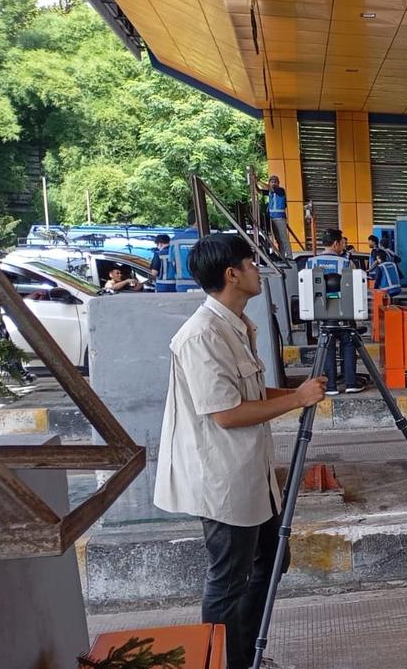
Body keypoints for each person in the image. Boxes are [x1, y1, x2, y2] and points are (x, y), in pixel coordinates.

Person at [153, 233, 326, 669]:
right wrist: (297, 399)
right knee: (229, 581)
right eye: (251, 264)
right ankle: (223, 662)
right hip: (223, 480)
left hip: (252, 474)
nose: (258, 271)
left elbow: (248, 393)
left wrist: (297, 393)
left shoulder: (235, 325)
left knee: (272, 562)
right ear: (232, 274)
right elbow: (227, 414)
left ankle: (247, 656)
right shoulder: (201, 336)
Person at [308, 229, 362, 396]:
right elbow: (355, 288)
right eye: (342, 243)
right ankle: (351, 383)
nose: (343, 246)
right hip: (344, 313)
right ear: (336, 243)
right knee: (349, 345)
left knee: (327, 347)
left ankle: (331, 386)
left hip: (322, 313)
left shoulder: (311, 263)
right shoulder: (346, 263)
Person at [259, 174, 292, 259]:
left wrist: (258, 180)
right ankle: (282, 256)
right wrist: (254, 182)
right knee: (278, 239)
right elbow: (259, 191)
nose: (273, 183)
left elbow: (269, 188)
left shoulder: (280, 190)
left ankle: (289, 256)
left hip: (280, 218)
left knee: (283, 238)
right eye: (272, 182)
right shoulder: (270, 192)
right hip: (273, 218)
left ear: (278, 183)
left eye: (275, 182)